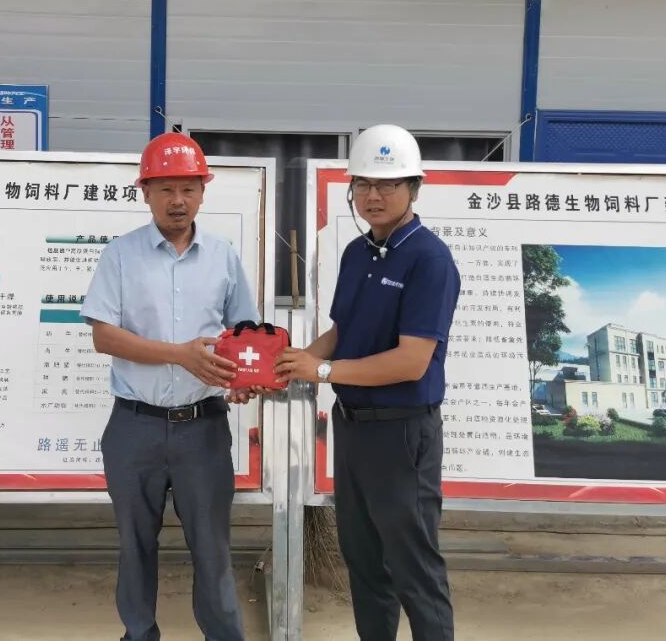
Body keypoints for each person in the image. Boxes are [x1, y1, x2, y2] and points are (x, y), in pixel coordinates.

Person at [276, 124, 461, 641]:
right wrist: (294, 361)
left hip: (402, 433)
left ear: (414, 188)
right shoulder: (358, 253)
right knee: (362, 558)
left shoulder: (430, 259)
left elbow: (412, 362)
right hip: (353, 428)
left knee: (413, 566)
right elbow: (343, 332)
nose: (374, 196)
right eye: (364, 184)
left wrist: (322, 371)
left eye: (389, 184)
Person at [82, 132, 264, 641]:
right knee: (134, 544)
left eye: (188, 188)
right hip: (133, 426)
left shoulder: (223, 257)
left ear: (204, 191)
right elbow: (104, 336)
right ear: (145, 192)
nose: (177, 200)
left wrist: (242, 380)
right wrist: (180, 354)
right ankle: (139, 634)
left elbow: (244, 335)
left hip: (202, 429)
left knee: (212, 547)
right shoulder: (121, 255)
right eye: (165, 189)